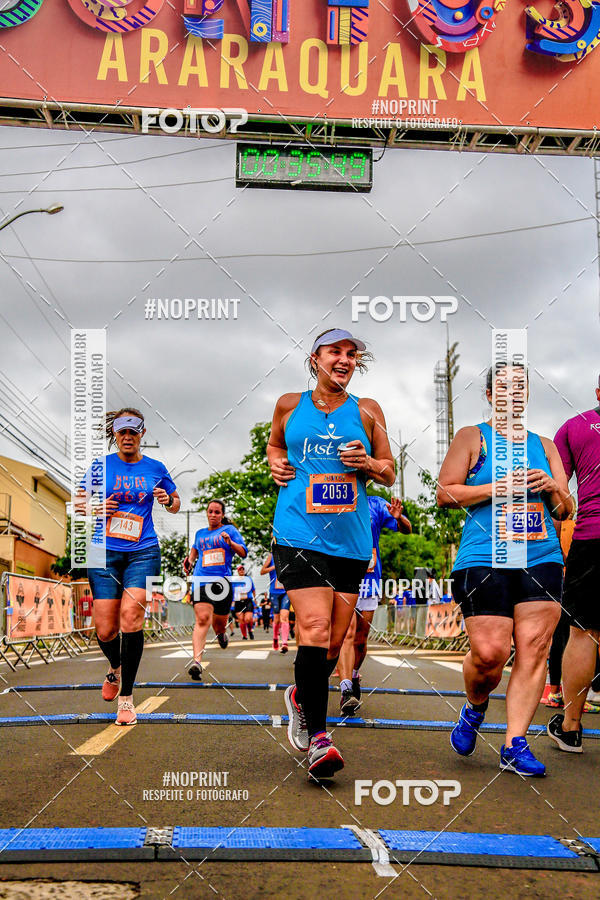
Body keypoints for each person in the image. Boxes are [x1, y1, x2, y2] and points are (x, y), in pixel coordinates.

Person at [267, 328, 396, 780]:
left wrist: (368, 465)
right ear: (315, 358)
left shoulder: (368, 410)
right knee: (315, 627)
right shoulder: (288, 404)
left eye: (351, 354)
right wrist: (274, 461)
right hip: (298, 531)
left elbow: (389, 472)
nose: (344, 359)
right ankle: (320, 741)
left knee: (333, 642)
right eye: (335, 352)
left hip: (351, 540)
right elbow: (276, 443)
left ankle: (303, 696)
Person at [438, 362, 573, 776]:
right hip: (484, 557)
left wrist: (553, 489)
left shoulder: (545, 445)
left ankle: (515, 742)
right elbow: (445, 492)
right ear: (491, 395)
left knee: (533, 649)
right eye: (505, 387)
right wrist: (495, 487)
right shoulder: (472, 437)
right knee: (490, 654)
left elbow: (567, 508)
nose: (513, 394)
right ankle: (475, 707)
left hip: (541, 555)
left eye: (521, 387)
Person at [78, 408, 180, 725]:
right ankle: (115, 668)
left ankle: (127, 700)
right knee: (105, 628)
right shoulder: (100, 466)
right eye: (121, 431)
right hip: (102, 552)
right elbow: (80, 502)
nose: (127, 437)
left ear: (141, 435)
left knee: (132, 617)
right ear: (115, 434)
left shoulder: (155, 468)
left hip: (143, 550)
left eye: (132, 432)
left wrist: (166, 499)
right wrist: (95, 506)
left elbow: (176, 504)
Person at [547, 377, 600, 752]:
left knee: (583, 632)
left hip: (593, 537)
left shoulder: (574, 427)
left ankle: (571, 727)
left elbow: (559, 496)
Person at [338, 495, 411, 714]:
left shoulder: (376, 504)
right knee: (347, 634)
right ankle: (346, 690)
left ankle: (353, 675)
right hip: (342, 575)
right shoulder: (334, 496)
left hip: (369, 578)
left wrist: (399, 519)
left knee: (360, 639)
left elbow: (406, 528)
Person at [183, 500, 248, 680]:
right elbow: (194, 553)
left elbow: (243, 552)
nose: (213, 515)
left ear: (222, 515)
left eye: (217, 512)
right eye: (210, 511)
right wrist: (188, 562)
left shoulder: (230, 531)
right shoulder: (200, 534)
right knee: (203, 618)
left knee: (219, 623)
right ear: (207, 513)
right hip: (201, 580)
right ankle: (196, 662)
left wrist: (230, 543)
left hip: (222, 582)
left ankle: (221, 634)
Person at [261, 549, 291, 653]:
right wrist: (275, 567)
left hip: (286, 591)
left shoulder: (289, 555)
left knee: (284, 617)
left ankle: (284, 643)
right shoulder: (271, 556)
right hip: (274, 592)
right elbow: (262, 571)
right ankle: (275, 638)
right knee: (277, 618)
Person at [232, 563, 256, 640]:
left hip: (247, 600)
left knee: (248, 619)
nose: (242, 571)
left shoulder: (248, 579)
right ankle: (244, 636)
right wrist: (232, 602)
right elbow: (232, 592)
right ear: (238, 571)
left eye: (243, 569)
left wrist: (255, 599)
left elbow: (253, 589)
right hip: (238, 601)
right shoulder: (235, 581)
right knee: (241, 619)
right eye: (240, 570)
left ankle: (250, 631)